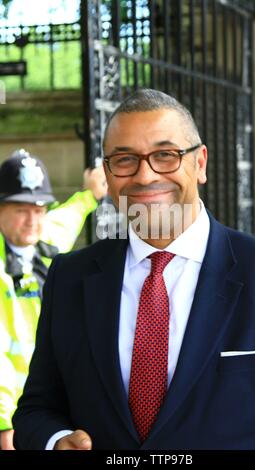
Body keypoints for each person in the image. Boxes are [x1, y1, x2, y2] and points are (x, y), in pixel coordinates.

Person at [13, 89, 255, 450]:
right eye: (124, 159)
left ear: (200, 164)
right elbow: (36, 410)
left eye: (165, 155)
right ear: (108, 175)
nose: (145, 176)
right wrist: (55, 441)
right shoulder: (68, 278)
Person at [0, 149, 107, 450]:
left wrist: (89, 194)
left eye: (39, 209)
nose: (33, 219)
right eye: (21, 209)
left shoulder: (46, 239)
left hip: (48, 404)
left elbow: (68, 218)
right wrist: (5, 423)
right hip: (11, 413)